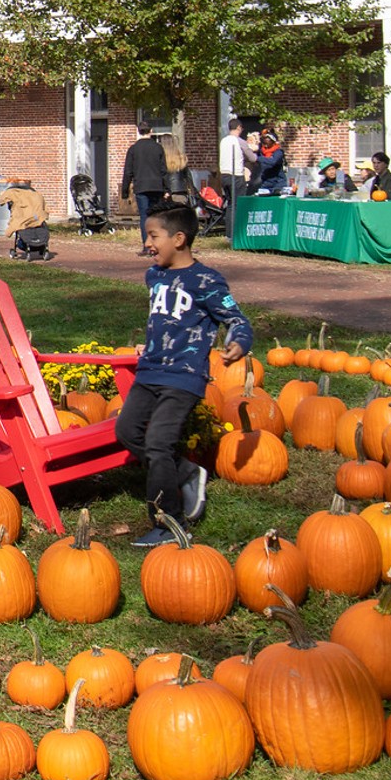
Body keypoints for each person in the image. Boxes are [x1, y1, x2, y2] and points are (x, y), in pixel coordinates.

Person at [114, 204, 253, 547]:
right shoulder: (155, 275)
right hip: (151, 370)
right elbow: (164, 321)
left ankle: (168, 524)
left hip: (183, 375)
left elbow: (236, 319)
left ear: (179, 239)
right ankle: (188, 471)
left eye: (153, 235)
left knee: (158, 443)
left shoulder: (206, 280)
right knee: (127, 432)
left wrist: (238, 343)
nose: (147, 242)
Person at [120, 120, 171, 216]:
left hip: (141, 186)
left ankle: (145, 231)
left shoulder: (133, 149)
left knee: (144, 215)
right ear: (151, 131)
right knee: (155, 216)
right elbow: (163, 170)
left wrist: (125, 191)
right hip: (156, 187)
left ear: (139, 131)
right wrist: (167, 189)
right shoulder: (158, 148)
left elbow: (128, 172)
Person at [1, 176, 52, 261]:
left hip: (23, 219)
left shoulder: (13, 194)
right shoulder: (35, 195)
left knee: (21, 226)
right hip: (37, 218)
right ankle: (41, 247)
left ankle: (26, 247)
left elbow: (3, 200)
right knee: (39, 228)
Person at [216, 119, 250, 210]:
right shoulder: (239, 141)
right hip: (236, 175)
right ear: (238, 128)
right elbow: (252, 157)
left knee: (231, 204)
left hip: (224, 175)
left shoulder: (223, 141)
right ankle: (237, 224)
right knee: (238, 204)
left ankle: (229, 224)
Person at [249, 130, 288, 196]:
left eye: (268, 140)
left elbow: (272, 162)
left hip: (278, 183)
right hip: (266, 182)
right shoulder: (261, 152)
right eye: (264, 140)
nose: (265, 142)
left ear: (273, 141)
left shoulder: (278, 152)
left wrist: (257, 158)